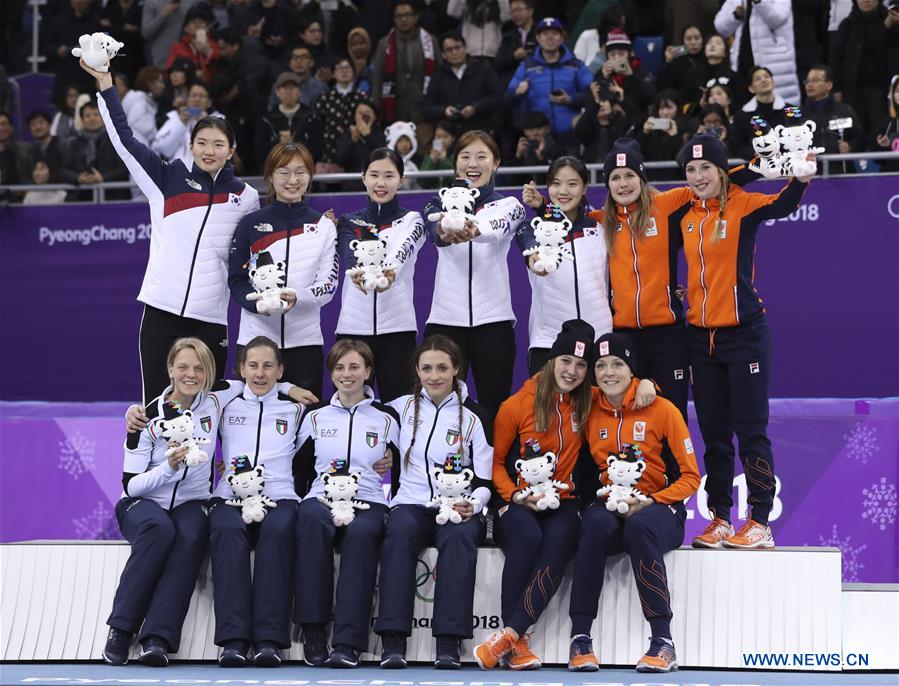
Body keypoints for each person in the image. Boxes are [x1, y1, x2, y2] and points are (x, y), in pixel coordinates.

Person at [82, 58, 259, 404]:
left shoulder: (246, 197)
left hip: (210, 317)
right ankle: (150, 461)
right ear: (191, 146)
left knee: (208, 408)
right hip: (162, 310)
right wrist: (106, 84)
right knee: (156, 404)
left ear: (231, 151)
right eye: (203, 142)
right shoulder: (166, 179)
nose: (210, 150)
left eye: (219, 144)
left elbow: (252, 255)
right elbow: (125, 140)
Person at [677, 133, 813, 550]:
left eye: (707, 168)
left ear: (722, 171)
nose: (698, 177)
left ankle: (758, 521)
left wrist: (801, 180)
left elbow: (782, 203)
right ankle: (719, 518)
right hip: (701, 338)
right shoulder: (683, 210)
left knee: (751, 431)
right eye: (690, 170)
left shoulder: (742, 203)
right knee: (715, 433)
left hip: (744, 334)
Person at [473, 321, 608, 670]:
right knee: (528, 534)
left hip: (562, 501)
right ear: (550, 362)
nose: (573, 371)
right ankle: (518, 641)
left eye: (581, 365)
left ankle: (511, 635)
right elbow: (496, 464)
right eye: (566, 361)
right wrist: (516, 496)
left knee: (562, 536)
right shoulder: (516, 405)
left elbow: (620, 385)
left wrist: (646, 385)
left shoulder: (588, 400)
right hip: (517, 502)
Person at [566, 332, 700, 673]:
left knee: (640, 526)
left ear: (632, 370)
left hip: (658, 508)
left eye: (618, 364)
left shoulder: (663, 409)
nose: (609, 372)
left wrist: (654, 499)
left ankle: (662, 641)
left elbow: (690, 477)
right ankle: (580, 637)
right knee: (593, 523)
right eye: (601, 365)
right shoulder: (588, 406)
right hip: (610, 505)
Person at [103, 338, 241, 667]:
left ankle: (158, 638)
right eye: (183, 367)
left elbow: (255, 378)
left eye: (199, 368)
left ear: (208, 372)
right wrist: (169, 468)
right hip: (142, 504)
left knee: (191, 535)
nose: (190, 374)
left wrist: (291, 391)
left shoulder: (216, 399)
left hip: (192, 502)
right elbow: (131, 485)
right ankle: (121, 629)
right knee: (158, 528)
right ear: (169, 369)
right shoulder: (145, 418)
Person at [374, 335, 494, 669]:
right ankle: (393, 639)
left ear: (456, 369)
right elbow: (362, 412)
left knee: (458, 538)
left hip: (457, 505)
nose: (434, 375)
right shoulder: (400, 409)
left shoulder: (475, 417)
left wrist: (473, 503)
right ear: (416, 370)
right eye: (426, 368)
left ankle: (449, 642)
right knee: (397, 535)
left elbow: (486, 480)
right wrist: (383, 452)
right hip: (410, 502)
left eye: (442, 367)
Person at [293, 340, 400, 667]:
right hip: (320, 497)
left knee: (361, 535)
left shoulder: (387, 416)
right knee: (311, 520)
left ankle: (348, 642)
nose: (347, 374)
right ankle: (312, 629)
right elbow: (298, 465)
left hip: (368, 500)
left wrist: (392, 462)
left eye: (354, 367)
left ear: (368, 371)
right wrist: (302, 497)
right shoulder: (315, 415)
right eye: (339, 367)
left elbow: (403, 468)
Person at [208, 336, 305, 667]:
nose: (260, 374)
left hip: (280, 497)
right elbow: (192, 393)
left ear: (280, 370)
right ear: (241, 369)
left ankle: (268, 641)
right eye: (253, 365)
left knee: (278, 535)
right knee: (225, 533)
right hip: (230, 496)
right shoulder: (225, 404)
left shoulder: (297, 410)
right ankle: (233, 640)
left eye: (268, 366)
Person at [422, 130, 528, 418]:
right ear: (455, 163)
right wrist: (444, 231)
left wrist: (474, 230)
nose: (473, 163)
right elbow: (435, 232)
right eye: (466, 156)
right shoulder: (436, 204)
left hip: (493, 323)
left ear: (496, 164)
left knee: (494, 409)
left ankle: (493, 464)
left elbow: (497, 226)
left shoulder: (510, 205)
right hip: (445, 321)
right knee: (440, 409)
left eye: (482, 157)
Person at [228, 142, 337, 397]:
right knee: (250, 424)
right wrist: (257, 305)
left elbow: (329, 286)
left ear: (310, 176)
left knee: (304, 425)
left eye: (300, 172)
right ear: (270, 177)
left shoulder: (323, 227)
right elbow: (236, 279)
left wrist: (298, 296)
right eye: (283, 172)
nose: (292, 180)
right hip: (255, 341)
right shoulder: (250, 224)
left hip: (305, 343)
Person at [335, 148, 426, 401]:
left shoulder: (412, 220)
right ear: (363, 177)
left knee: (400, 407)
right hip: (352, 330)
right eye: (374, 175)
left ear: (401, 179)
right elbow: (348, 252)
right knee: (348, 406)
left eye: (389, 175)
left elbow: (403, 251)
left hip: (398, 329)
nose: (381, 183)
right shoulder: (348, 222)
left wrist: (389, 274)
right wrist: (358, 272)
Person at [519, 159, 611, 374]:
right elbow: (527, 240)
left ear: (585, 187)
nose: (563, 191)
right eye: (556, 183)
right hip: (548, 344)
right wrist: (534, 257)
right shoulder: (534, 229)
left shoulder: (600, 230)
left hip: (598, 341)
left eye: (572, 184)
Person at [506, 17, 593, 153]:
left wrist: (570, 99)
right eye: (545, 34)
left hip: (569, 136)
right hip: (537, 137)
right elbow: (508, 96)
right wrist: (518, 91)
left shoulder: (576, 65)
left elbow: (592, 94)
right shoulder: (527, 66)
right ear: (538, 38)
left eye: (554, 34)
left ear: (562, 37)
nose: (550, 38)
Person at [714, 0, 801, 105]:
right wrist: (736, 16)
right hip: (743, 68)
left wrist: (759, 2)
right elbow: (720, 27)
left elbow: (777, 18)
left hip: (774, 65)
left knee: (784, 113)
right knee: (750, 117)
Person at [371, 1, 440, 128]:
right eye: (399, 16)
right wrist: (375, 111)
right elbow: (378, 80)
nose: (403, 19)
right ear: (394, 19)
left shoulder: (431, 42)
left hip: (423, 111)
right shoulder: (384, 44)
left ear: (416, 17)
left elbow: (440, 76)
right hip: (394, 111)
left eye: (407, 15)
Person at [422, 32, 504, 136]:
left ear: (465, 48)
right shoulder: (438, 76)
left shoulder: (483, 69)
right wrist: (444, 111)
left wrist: (475, 108)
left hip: (478, 133)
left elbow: (498, 98)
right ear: (443, 54)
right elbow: (426, 108)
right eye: (449, 49)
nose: (454, 52)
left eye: (458, 47)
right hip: (448, 136)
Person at [803, 64, 865, 163]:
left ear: (829, 85)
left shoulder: (844, 111)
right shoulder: (799, 114)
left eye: (815, 80)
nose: (810, 85)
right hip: (810, 172)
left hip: (840, 169)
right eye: (807, 81)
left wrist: (850, 146)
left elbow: (861, 139)